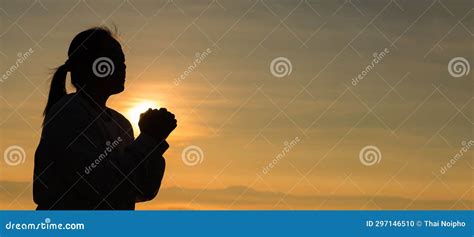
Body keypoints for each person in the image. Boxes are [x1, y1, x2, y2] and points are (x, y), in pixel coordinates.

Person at [33, 27, 177, 210]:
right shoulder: (70, 112)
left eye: (123, 60)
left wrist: (154, 142)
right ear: (91, 65)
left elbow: (142, 189)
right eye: (114, 58)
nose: (123, 66)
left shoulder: (121, 124)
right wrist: (149, 139)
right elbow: (100, 184)